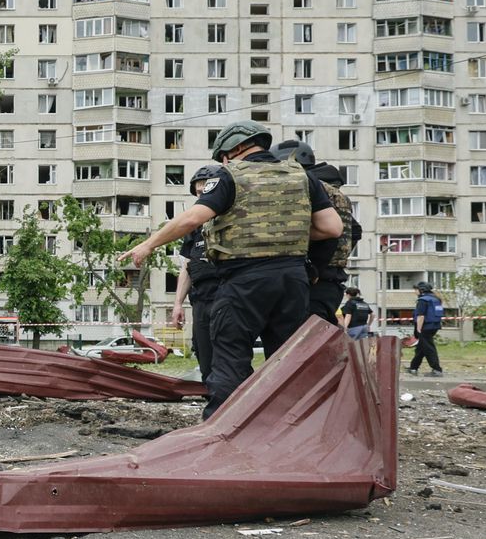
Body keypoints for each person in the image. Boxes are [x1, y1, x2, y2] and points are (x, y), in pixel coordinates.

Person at [121, 120, 342, 419]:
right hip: (293, 280)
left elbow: (192, 219)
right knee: (286, 359)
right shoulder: (301, 176)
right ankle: (292, 428)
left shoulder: (230, 176)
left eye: (224, 156)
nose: (225, 162)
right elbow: (331, 228)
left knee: (229, 356)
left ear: (236, 149)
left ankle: (221, 430)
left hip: (245, 281)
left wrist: (148, 245)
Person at [274, 140, 360, 326]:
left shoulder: (308, 187)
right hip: (331, 279)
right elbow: (355, 231)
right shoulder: (334, 191)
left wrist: (313, 267)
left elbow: (328, 233)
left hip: (311, 280)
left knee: (301, 342)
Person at [169, 165, 223, 378]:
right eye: (198, 193)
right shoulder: (194, 227)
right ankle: (211, 395)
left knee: (227, 351)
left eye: (206, 192)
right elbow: (187, 266)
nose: (202, 197)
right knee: (203, 351)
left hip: (227, 295)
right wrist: (177, 304)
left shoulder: (231, 220)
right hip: (201, 299)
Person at [409, 280, 445, 376]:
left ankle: (437, 369)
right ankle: (413, 367)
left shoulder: (423, 300)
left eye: (416, 289)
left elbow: (421, 316)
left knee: (429, 348)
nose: (415, 292)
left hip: (425, 326)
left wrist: (418, 329)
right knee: (422, 347)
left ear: (421, 290)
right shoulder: (436, 299)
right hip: (435, 325)